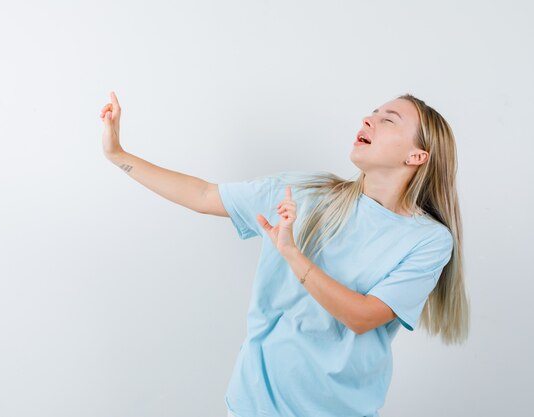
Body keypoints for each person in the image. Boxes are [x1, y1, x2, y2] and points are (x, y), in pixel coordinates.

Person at [99, 91, 470, 417]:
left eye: (388, 120)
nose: (368, 119)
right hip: (257, 403)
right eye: (372, 112)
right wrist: (118, 155)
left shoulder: (428, 240)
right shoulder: (304, 191)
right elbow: (203, 196)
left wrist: (293, 254)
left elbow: (362, 317)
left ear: (417, 155)